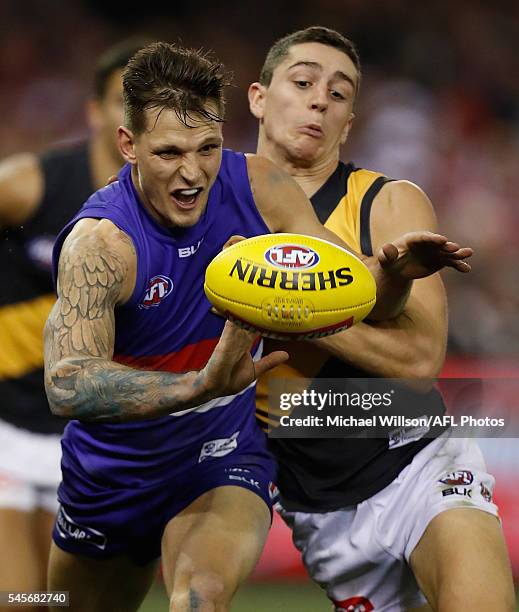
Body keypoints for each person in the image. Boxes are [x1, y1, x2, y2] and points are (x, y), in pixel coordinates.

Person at [42, 42, 473, 612]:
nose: (193, 172)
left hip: (221, 455)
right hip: (114, 470)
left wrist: (392, 277)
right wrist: (198, 386)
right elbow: (67, 383)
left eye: (209, 148)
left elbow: (353, 294)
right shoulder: (102, 245)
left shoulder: (260, 186)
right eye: (169, 152)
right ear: (129, 146)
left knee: (200, 598)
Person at [250, 26, 515, 611]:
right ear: (258, 99)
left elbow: (420, 364)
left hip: (420, 465)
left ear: (348, 124)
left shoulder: (387, 202)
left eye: (339, 93)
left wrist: (297, 312)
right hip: (320, 511)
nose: (320, 98)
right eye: (302, 82)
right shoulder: (212, 212)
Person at [0, 38, 147, 605]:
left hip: (92, 443)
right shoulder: (29, 186)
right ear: (94, 112)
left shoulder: (174, 210)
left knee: (62, 603)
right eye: (121, 101)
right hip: (9, 430)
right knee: (18, 601)